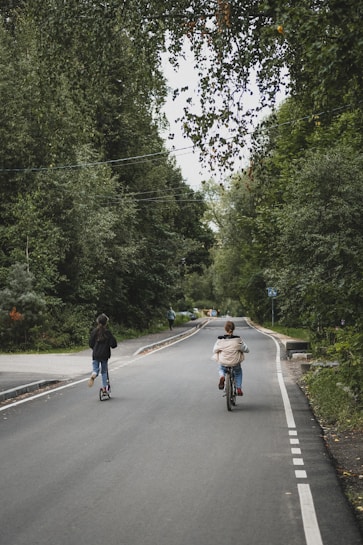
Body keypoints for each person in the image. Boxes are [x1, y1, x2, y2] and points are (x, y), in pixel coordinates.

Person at [212, 320, 249, 396]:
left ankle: (222, 376)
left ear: (225, 329)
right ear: (233, 329)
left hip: (224, 363)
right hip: (235, 363)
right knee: (238, 372)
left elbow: (214, 350)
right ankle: (239, 388)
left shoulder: (220, 340)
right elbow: (246, 350)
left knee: (221, 369)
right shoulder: (238, 340)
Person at [88, 313, 117, 392]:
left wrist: (95, 348)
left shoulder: (94, 332)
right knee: (104, 372)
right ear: (106, 323)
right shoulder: (107, 332)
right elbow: (113, 344)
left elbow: (90, 343)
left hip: (96, 354)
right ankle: (104, 388)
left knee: (95, 369)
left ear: (98, 322)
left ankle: (94, 374)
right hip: (104, 355)